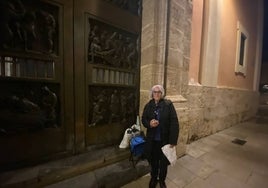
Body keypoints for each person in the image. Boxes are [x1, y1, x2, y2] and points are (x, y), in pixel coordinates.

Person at [142, 85, 179, 188]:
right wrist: (149, 123)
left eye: (159, 92)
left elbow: (174, 122)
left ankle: (162, 180)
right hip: (153, 140)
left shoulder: (168, 105)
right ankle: (154, 178)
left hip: (164, 140)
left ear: (162, 94)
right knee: (154, 161)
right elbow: (143, 119)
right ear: (152, 94)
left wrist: (173, 140)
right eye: (155, 92)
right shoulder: (148, 105)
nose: (157, 94)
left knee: (163, 164)